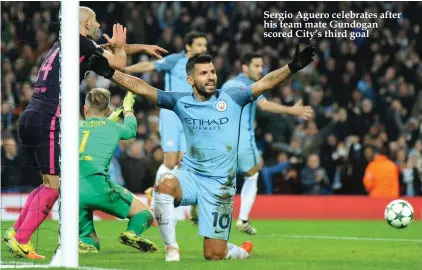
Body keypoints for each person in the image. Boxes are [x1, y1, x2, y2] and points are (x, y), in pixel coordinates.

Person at [88, 44, 317, 261]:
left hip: (220, 185)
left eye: (213, 72)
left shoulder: (233, 98)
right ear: (191, 80)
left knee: (213, 254)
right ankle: (171, 247)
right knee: (165, 184)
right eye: (204, 73)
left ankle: (241, 251)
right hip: (191, 175)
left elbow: (266, 83)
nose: (210, 77)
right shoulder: (180, 101)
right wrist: (110, 73)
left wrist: (292, 66)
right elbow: (143, 88)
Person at [192, 52, 313, 234]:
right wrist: (292, 110)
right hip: (241, 139)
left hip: (220, 137)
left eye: (261, 65)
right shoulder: (246, 85)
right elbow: (264, 105)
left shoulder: (229, 83)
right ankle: (242, 218)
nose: (260, 69)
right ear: (244, 68)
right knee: (253, 174)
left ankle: (199, 201)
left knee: (224, 176)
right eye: (256, 66)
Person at [78, 89, 158, 254]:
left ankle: (85, 242)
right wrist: (128, 109)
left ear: (85, 109)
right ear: (107, 110)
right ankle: (131, 233)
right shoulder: (113, 128)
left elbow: (93, 129)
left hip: (72, 191)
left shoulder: (74, 127)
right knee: (145, 213)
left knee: (91, 241)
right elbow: (131, 129)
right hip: (99, 186)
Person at [124, 31, 207, 184]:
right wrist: (126, 70)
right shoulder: (175, 60)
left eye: (205, 45)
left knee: (185, 163)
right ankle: (157, 199)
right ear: (188, 46)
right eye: (200, 45)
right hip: (172, 115)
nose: (203, 48)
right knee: (169, 162)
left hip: (190, 118)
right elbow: (149, 65)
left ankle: (181, 205)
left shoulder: (203, 67)